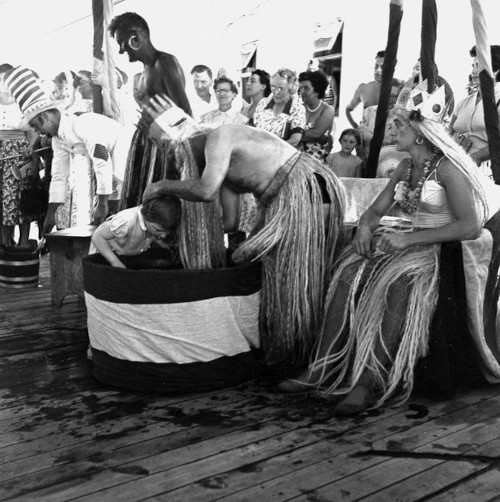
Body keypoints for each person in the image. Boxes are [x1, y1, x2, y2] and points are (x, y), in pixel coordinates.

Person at [279, 80, 489, 415]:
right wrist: (364, 227)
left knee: (397, 284)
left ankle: (370, 379)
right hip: (399, 243)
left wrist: (408, 240)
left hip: (430, 251)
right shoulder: (405, 168)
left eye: (399, 124)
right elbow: (376, 211)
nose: (393, 129)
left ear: (420, 132)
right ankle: (321, 367)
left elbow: (470, 225)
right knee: (347, 273)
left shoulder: (447, 168)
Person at [143, 94, 346, 368]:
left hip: (309, 187)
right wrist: (176, 234)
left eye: (170, 149)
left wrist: (162, 186)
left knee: (297, 274)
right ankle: (286, 348)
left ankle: (309, 356)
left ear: (182, 138)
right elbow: (230, 222)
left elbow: (205, 191)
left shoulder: (219, 138)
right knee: (250, 260)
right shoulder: (218, 164)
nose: (175, 159)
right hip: (284, 200)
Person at [5, 66, 133, 234]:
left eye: (36, 127)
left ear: (43, 118)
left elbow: (102, 159)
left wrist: (102, 203)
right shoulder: (58, 139)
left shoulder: (82, 123)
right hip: (112, 173)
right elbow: (59, 176)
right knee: (110, 222)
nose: (38, 133)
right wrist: (52, 214)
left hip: (126, 159)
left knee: (123, 215)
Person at [108, 12, 192, 209]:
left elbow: (185, 112)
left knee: (160, 209)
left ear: (136, 38)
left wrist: (181, 153)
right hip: (146, 145)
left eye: (122, 43)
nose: (121, 51)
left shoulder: (165, 62)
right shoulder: (144, 70)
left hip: (165, 148)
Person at [0, 64, 39, 247]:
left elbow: (33, 132)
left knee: (20, 199)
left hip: (18, 155)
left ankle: (24, 243)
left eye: (4, 80)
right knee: (3, 200)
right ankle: (5, 242)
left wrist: (31, 155)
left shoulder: (22, 104)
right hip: (1, 155)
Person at [91, 194, 180, 268]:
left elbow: (149, 234)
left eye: (166, 232)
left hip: (127, 253)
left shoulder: (151, 225)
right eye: (158, 230)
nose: (163, 236)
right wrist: (115, 262)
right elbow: (97, 237)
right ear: (147, 217)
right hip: (107, 253)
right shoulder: (127, 222)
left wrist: (161, 243)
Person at [449, 45, 500, 174]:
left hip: (487, 171)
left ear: (496, 70)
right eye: (473, 66)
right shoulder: (463, 103)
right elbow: (448, 133)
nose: (473, 71)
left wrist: (468, 161)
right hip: (455, 165)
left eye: (478, 66)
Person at [345, 50, 403, 160]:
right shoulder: (363, 88)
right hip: (367, 147)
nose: (378, 70)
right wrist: (356, 128)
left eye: (383, 66)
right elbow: (348, 109)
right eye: (376, 66)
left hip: (391, 146)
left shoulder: (400, 87)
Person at [254, 68, 306, 148]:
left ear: (291, 88)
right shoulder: (263, 103)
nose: (276, 92)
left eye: (281, 89)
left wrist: (271, 149)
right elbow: (254, 132)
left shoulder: (297, 108)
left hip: (283, 156)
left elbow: (295, 140)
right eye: (273, 87)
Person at [298, 70, 335, 162]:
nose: (301, 91)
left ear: (317, 91)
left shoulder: (327, 110)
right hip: (296, 161)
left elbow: (316, 133)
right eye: (301, 87)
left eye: (306, 88)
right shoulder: (298, 108)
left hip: (316, 164)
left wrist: (293, 135)